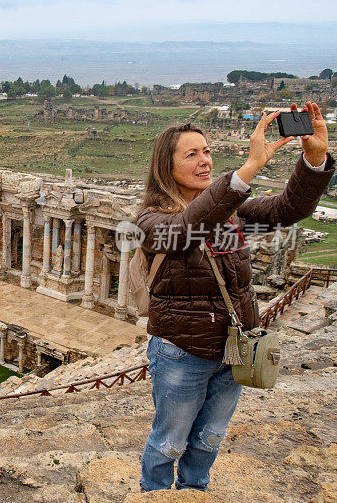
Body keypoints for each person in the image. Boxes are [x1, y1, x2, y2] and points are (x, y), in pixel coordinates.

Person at [136, 102, 333, 492]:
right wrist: (248, 169)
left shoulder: (232, 213)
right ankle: (154, 496)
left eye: (207, 151)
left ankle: (195, 494)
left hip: (234, 349)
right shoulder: (151, 220)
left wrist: (314, 160)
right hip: (182, 350)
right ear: (166, 167)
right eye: (191, 154)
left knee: (209, 439)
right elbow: (189, 226)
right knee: (168, 442)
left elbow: (287, 209)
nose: (204, 160)